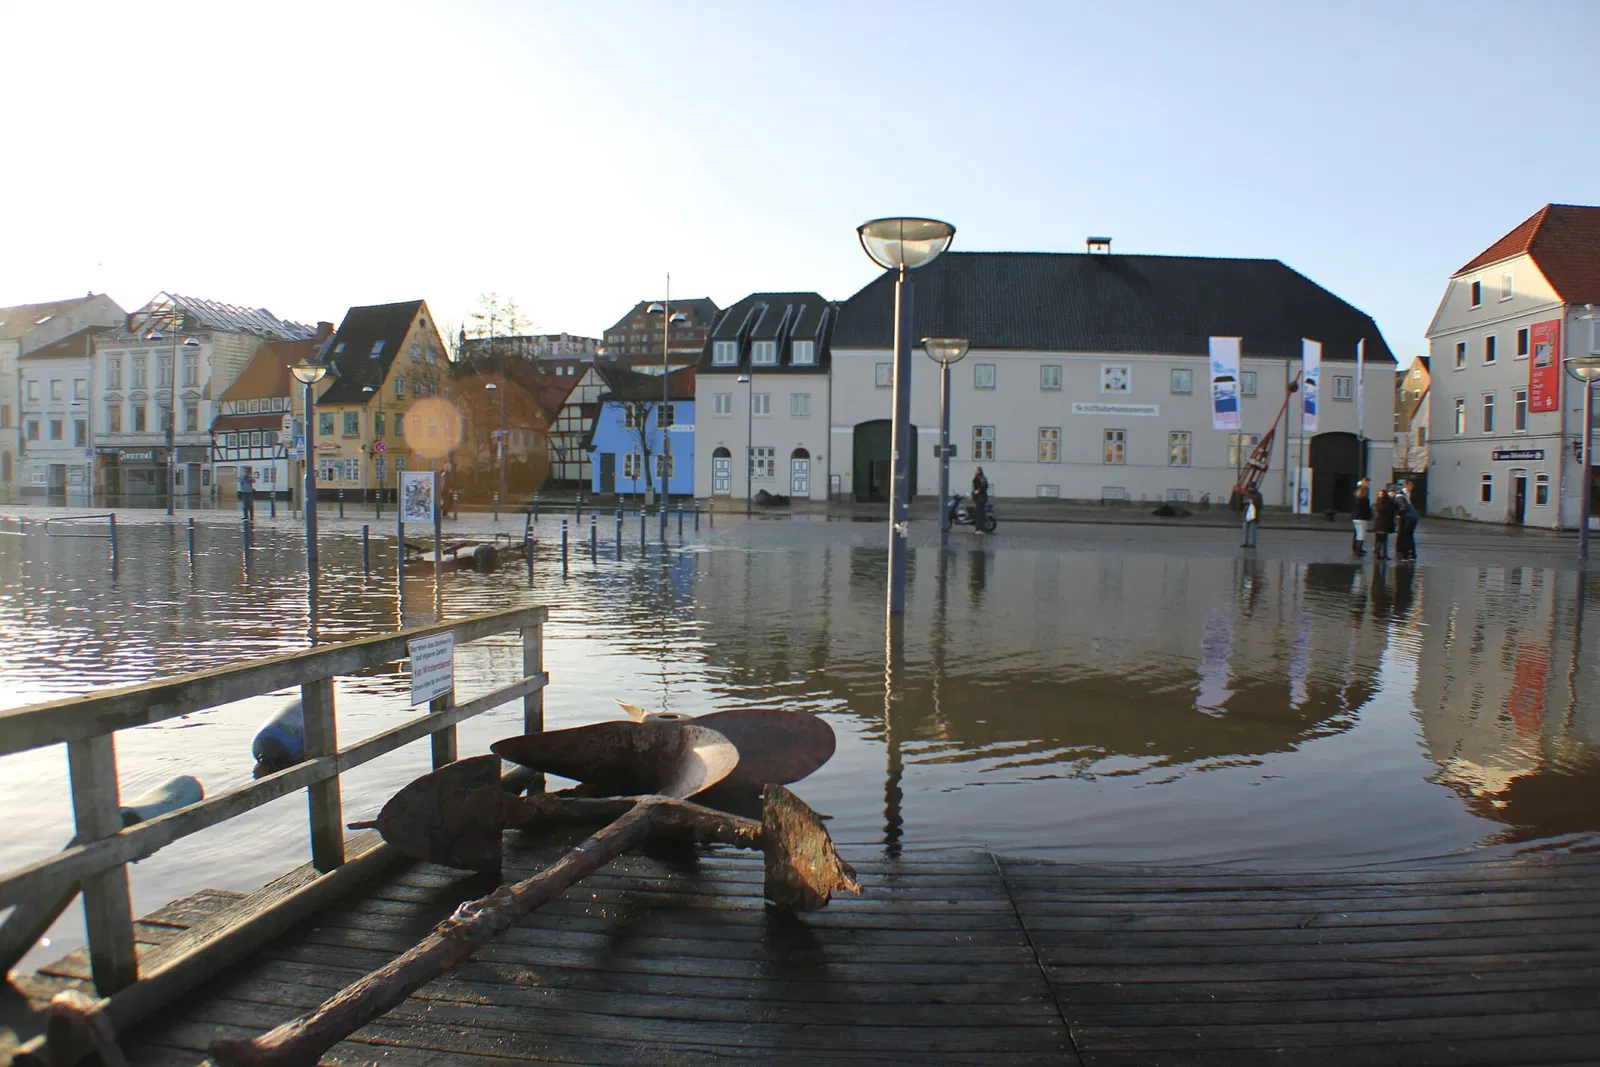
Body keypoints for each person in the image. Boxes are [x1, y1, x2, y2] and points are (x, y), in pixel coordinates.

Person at [1394, 486, 1419, 561]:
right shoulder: (1405, 497)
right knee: (1409, 536)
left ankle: (1404, 555)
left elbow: (1403, 508)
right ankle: (1411, 554)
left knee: (1404, 536)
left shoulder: (1399, 497)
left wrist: (1398, 514)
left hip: (1407, 519)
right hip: (1413, 518)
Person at [1351, 479, 1372, 558]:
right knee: (1361, 534)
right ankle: (1358, 550)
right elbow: (1366, 509)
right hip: (1362, 518)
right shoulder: (1364, 500)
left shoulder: (1357, 498)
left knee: (1357, 533)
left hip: (1355, 517)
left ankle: (1356, 548)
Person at [1373, 488, 1395, 560]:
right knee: (1384, 540)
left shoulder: (1378, 502)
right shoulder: (1388, 502)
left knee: (1379, 539)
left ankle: (1378, 553)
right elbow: (1391, 513)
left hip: (1378, 523)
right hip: (1384, 523)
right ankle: (1383, 554)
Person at [971, 467, 989, 532]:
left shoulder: (982, 478)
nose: (975, 471)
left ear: (979, 471)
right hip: (978, 498)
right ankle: (979, 528)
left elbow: (983, 485)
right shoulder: (978, 477)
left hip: (981, 499)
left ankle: (980, 529)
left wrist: (977, 491)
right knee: (978, 513)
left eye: (976, 470)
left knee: (979, 514)